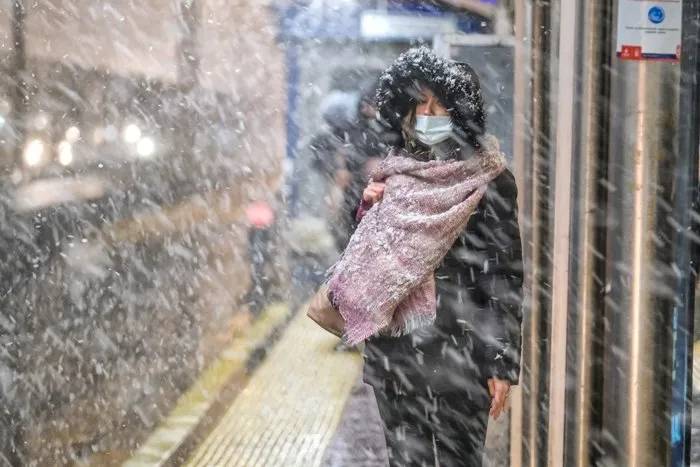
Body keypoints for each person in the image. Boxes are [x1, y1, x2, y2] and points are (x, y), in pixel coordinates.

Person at [358, 47, 523, 466]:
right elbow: (362, 267)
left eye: (438, 102)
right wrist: (366, 211)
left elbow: (503, 275)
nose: (427, 113)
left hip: (462, 357)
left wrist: (501, 363)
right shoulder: (391, 177)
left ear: (460, 109)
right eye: (418, 101)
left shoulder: (491, 182)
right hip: (397, 358)